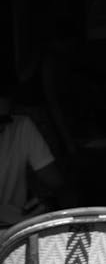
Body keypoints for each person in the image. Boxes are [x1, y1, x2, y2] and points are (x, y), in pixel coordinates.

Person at [0, 78, 67, 225]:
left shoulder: (20, 127)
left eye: (3, 121)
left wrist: (45, 200)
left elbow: (55, 181)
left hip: (15, 230)